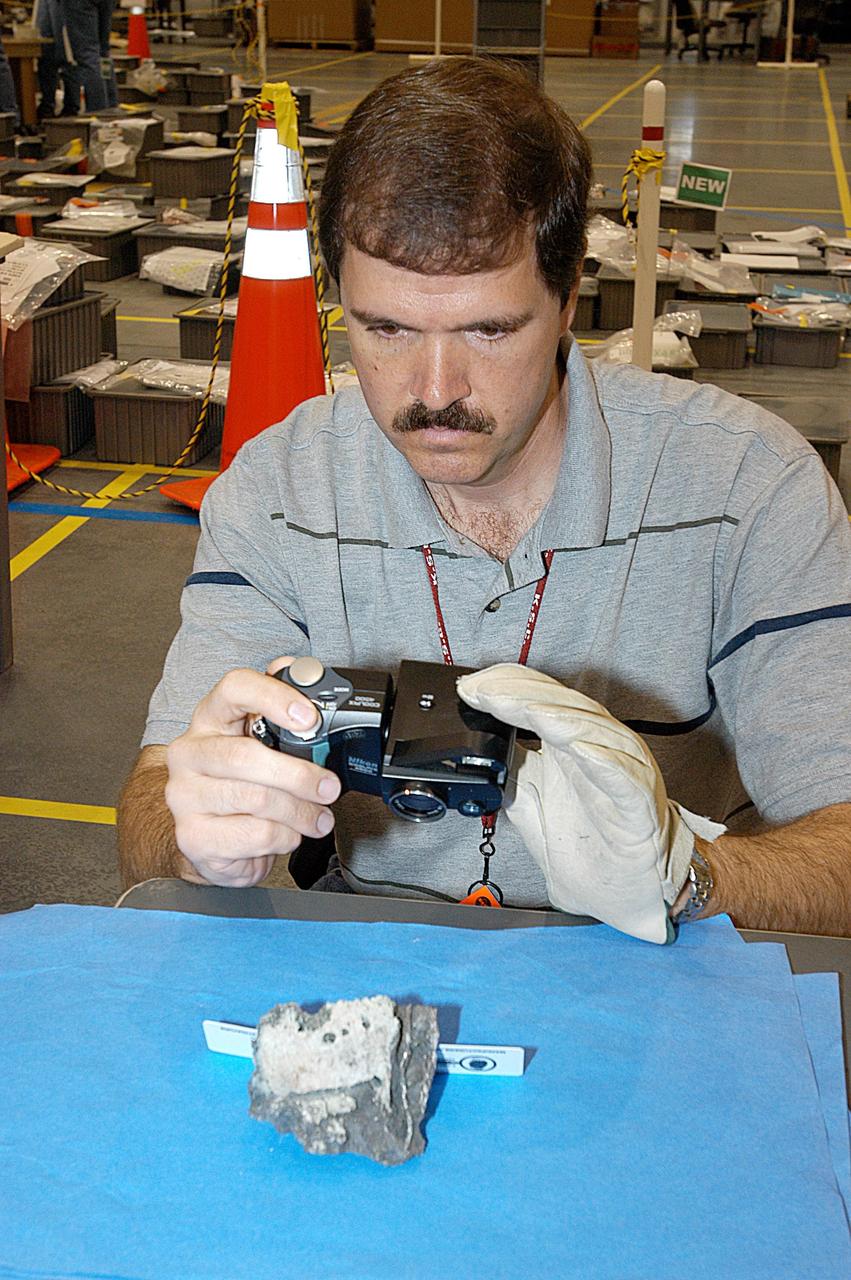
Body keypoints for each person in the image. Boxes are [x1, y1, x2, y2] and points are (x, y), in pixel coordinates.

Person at [117, 57, 851, 943]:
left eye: (489, 329)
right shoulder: (278, 490)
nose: (434, 390)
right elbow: (152, 813)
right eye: (385, 328)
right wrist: (196, 839)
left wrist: (683, 876)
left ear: (569, 293)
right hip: (374, 952)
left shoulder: (746, 486)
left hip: (656, 967)